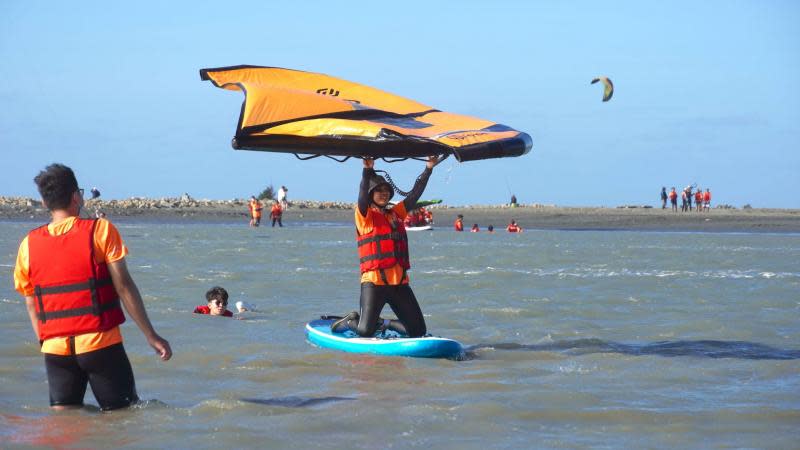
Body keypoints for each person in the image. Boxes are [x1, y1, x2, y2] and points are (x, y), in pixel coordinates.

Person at [13, 163, 171, 411]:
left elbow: (32, 302)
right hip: (100, 344)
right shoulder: (100, 230)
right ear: (77, 196)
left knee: (65, 425)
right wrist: (151, 335)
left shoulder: (27, 245)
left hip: (55, 351)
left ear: (44, 203)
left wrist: (45, 343)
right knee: (123, 419)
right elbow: (124, 286)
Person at [331, 156, 440, 338]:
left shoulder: (396, 213)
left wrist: (428, 168)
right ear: (370, 194)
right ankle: (350, 321)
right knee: (365, 331)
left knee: (418, 331)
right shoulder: (364, 215)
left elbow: (414, 195)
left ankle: (384, 323)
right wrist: (367, 170)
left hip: (399, 284)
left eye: (386, 190)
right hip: (374, 284)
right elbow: (362, 193)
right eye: (378, 191)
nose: (384, 193)